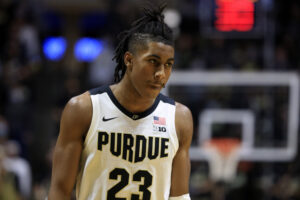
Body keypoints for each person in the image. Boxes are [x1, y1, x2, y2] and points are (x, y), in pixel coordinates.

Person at [48, 3, 193, 200]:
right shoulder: (84, 110)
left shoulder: (179, 118)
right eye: (153, 62)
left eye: (168, 65)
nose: (161, 74)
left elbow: (179, 197)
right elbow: (59, 191)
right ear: (129, 60)